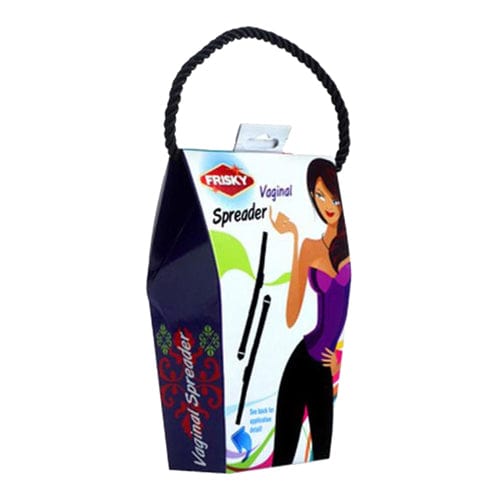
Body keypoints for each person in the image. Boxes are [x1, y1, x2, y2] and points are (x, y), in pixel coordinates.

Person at [270, 157, 351, 466]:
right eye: (319, 195)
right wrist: (293, 239)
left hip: (327, 365)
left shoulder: (349, 244)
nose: (327, 205)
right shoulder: (309, 248)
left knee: (323, 452)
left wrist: (338, 356)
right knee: (283, 453)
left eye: (333, 197)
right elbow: (291, 316)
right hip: (304, 360)